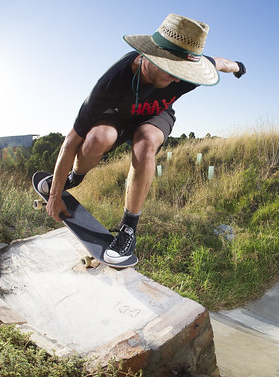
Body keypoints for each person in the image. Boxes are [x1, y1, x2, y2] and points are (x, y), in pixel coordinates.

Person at [38, 13, 246, 265]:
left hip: (156, 116)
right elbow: (71, 140)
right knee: (97, 138)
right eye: (172, 71)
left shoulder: (189, 70)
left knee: (145, 142)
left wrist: (239, 67)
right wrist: (55, 195)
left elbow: (221, 63)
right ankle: (76, 177)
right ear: (152, 57)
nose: (178, 79)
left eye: (183, 72)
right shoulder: (113, 81)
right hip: (117, 116)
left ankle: (128, 229)